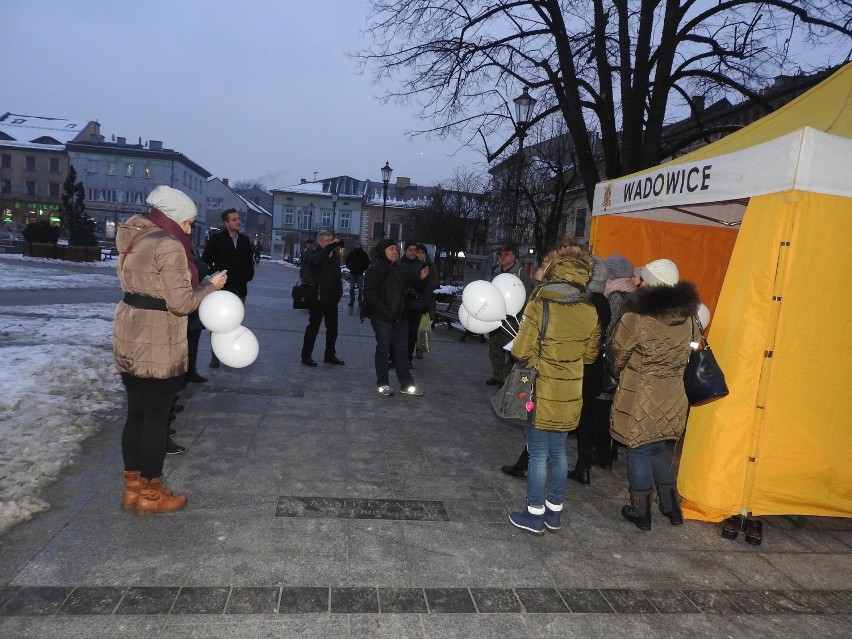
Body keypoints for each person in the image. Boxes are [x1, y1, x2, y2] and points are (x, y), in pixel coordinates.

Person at [113, 185, 227, 514]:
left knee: (135, 415)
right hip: (157, 341)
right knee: (155, 420)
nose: (190, 230)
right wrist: (211, 286)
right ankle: (151, 495)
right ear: (174, 219)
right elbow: (182, 304)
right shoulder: (168, 245)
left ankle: (132, 490)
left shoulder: (136, 237)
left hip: (130, 334)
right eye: (189, 223)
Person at [508, 245, 601, 535]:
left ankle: (534, 514)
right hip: (570, 393)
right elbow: (590, 356)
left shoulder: (539, 304)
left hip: (539, 390)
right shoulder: (590, 309)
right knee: (559, 452)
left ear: (551, 270)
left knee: (537, 453)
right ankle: (553, 513)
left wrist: (537, 356)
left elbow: (521, 350)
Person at [607, 258, 700, 530]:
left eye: (643, 278)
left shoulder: (637, 316)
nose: (638, 282)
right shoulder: (689, 317)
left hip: (641, 394)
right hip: (674, 395)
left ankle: (641, 511)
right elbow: (691, 352)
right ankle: (672, 508)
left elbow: (618, 354)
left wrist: (615, 371)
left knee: (637, 449)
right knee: (658, 447)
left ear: (654, 284)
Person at [363, 238, 429, 396]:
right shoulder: (375, 269)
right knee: (383, 349)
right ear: (382, 251)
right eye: (391, 249)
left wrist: (421, 278)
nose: (395, 251)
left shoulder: (402, 268)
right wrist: (386, 311)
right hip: (383, 318)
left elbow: (415, 287)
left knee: (401, 351)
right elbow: (370, 295)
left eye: (396, 249)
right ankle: (383, 383)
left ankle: (406, 384)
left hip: (401, 317)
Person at [567, 256, 612, 485]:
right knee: (585, 420)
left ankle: (528, 460)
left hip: (576, 367)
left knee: (559, 416)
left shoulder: (582, 302)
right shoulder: (604, 302)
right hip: (593, 370)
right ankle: (583, 467)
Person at [201, 208, 255, 368]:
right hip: (222, 290)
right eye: (234, 219)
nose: (238, 221)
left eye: (238, 219)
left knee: (235, 322)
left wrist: (248, 275)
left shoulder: (244, 240)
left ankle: (229, 352)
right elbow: (205, 261)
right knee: (219, 323)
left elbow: (249, 261)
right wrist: (216, 274)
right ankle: (215, 355)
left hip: (240, 288)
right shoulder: (217, 239)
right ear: (226, 223)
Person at [487, 245, 533, 385]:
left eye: (506, 254)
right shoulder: (496, 272)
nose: (502, 256)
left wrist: (523, 317)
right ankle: (497, 375)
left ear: (513, 257)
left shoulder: (520, 273)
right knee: (495, 347)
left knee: (512, 350)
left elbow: (528, 296)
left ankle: (506, 377)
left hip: (513, 320)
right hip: (496, 317)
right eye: (500, 254)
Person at [300, 231, 345, 366]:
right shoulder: (314, 254)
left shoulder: (334, 257)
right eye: (326, 240)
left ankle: (330, 355)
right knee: (313, 328)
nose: (330, 242)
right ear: (319, 242)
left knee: (333, 329)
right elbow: (316, 261)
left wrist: (339, 292)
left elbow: (337, 276)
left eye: (331, 240)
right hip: (318, 298)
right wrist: (329, 248)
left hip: (332, 298)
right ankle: (306, 356)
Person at [400, 240, 427, 366]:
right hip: (401, 304)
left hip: (416, 304)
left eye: (415, 250)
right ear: (405, 251)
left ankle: (408, 358)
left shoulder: (421, 265)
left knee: (412, 334)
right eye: (410, 250)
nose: (413, 252)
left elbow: (425, 285)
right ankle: (395, 357)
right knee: (399, 333)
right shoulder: (399, 263)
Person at [415, 243, 439, 359]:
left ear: (425, 254)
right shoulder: (412, 265)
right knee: (413, 326)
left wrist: (426, 285)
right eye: (418, 252)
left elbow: (435, 282)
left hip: (427, 300)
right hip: (414, 300)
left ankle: (420, 349)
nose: (419, 255)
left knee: (423, 326)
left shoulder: (430, 266)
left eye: (422, 253)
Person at [344, 241, 370, 306]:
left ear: (360, 245)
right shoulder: (352, 253)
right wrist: (350, 268)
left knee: (360, 289)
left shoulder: (364, 254)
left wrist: (363, 269)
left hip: (360, 274)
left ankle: (360, 301)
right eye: (356, 244)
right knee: (351, 288)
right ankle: (352, 301)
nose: (357, 245)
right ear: (354, 245)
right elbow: (347, 261)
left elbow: (367, 263)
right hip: (352, 273)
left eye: (358, 244)